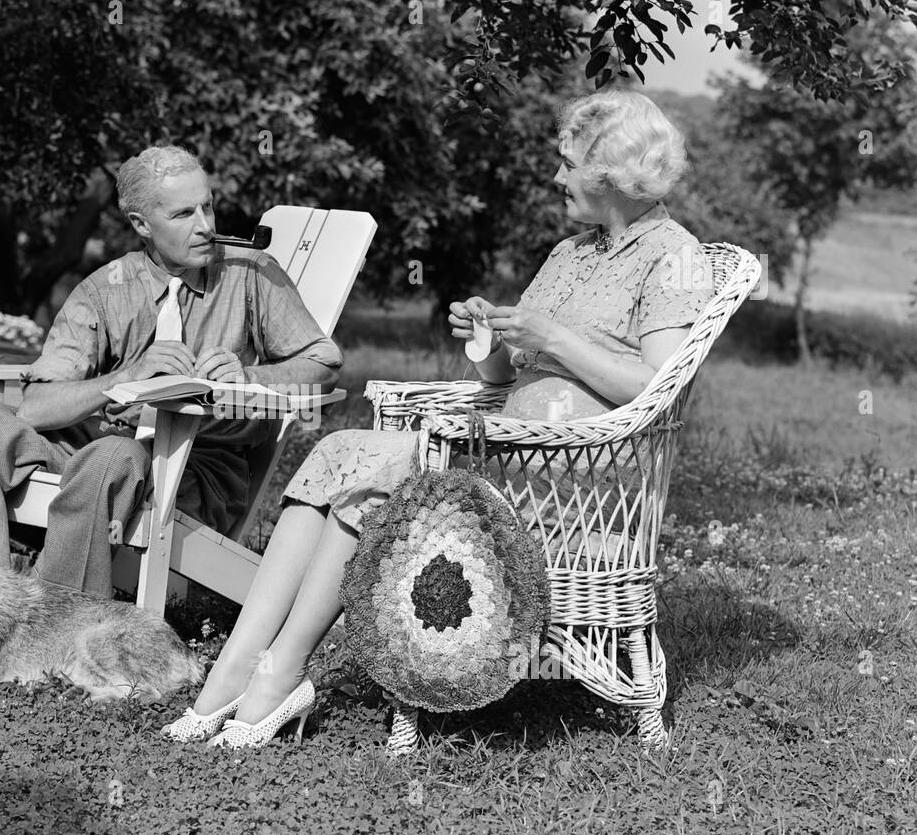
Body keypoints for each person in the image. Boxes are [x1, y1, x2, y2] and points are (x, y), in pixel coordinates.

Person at [165, 89, 711, 749]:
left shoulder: (673, 255)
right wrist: (489, 343)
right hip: (508, 454)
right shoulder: (573, 253)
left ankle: (277, 674)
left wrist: (555, 339)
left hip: (578, 489)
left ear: (612, 174)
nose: (557, 177)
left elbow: (659, 386)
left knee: (370, 474)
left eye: (568, 164)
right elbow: (508, 378)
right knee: (340, 452)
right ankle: (238, 670)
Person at [0, 145, 342, 598]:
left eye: (208, 206)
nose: (205, 226)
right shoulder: (106, 289)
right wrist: (122, 380)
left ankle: (61, 628)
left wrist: (249, 378)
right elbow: (35, 408)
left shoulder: (251, 274)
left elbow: (324, 365)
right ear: (141, 225)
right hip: (105, 452)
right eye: (184, 214)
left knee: (111, 458)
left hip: (193, 468)